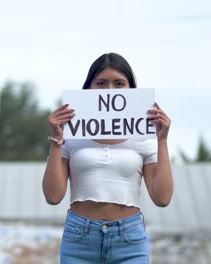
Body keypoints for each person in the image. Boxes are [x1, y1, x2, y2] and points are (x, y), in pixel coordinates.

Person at [42, 52, 173, 263]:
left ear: (130, 90)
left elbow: (162, 198)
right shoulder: (71, 135)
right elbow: (53, 196)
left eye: (119, 83)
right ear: (89, 88)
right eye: (101, 82)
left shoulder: (145, 136)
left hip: (129, 241)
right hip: (79, 240)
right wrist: (57, 140)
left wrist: (162, 141)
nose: (109, 90)